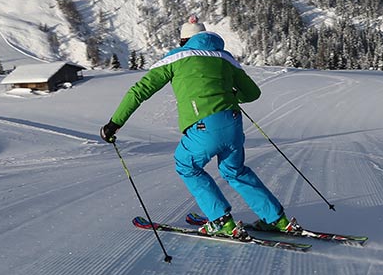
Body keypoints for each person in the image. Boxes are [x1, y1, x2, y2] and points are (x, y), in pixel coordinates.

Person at [99, 16, 300, 239]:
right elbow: (253, 93)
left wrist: (115, 123)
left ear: (184, 40)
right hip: (233, 124)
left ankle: (221, 220)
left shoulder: (176, 58)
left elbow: (139, 92)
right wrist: (233, 94)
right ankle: (278, 220)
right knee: (235, 171)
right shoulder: (224, 57)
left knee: (186, 165)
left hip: (203, 126)